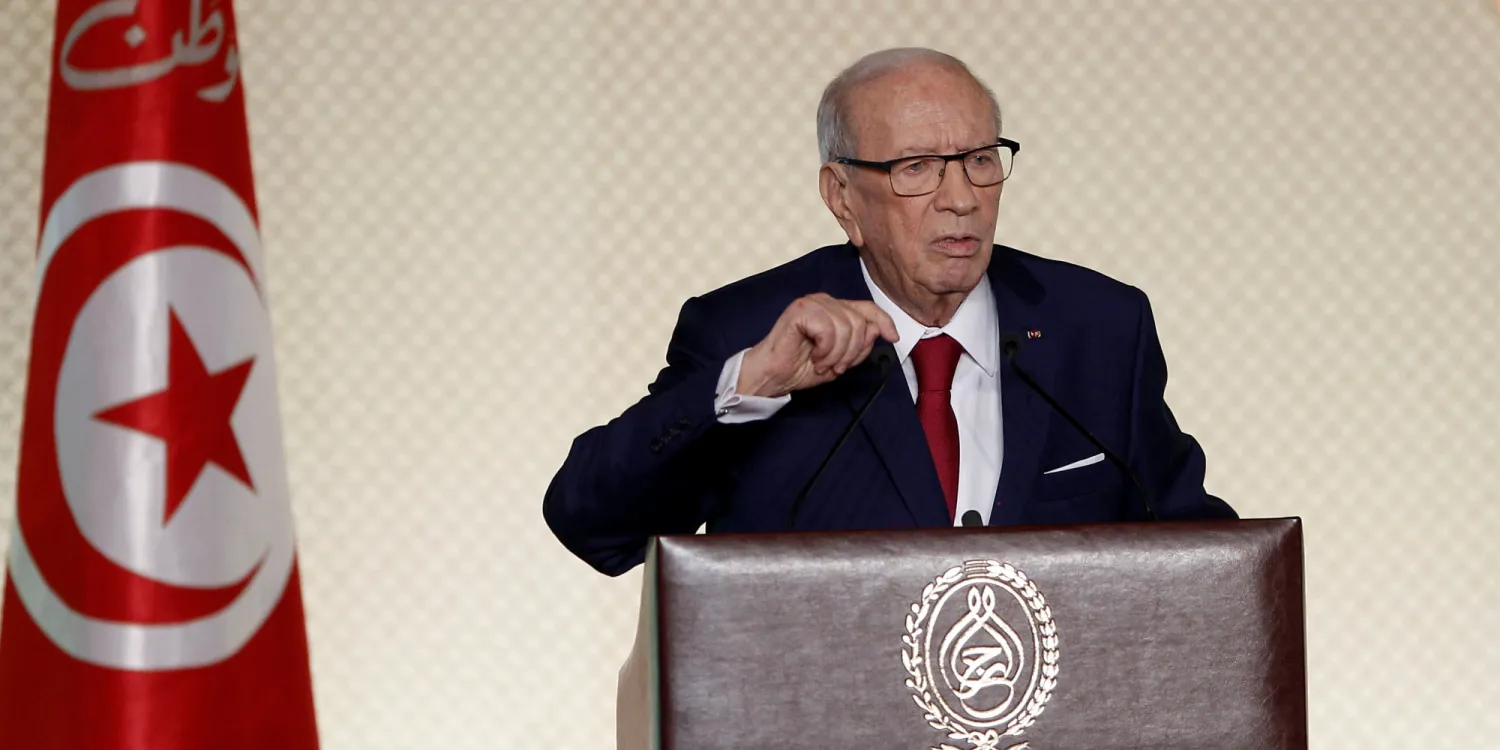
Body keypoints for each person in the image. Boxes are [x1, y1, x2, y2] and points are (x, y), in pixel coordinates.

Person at [543, 47, 1235, 576]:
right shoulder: (745, 332)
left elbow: (1200, 556)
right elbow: (593, 526)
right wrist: (749, 385)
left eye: (980, 160)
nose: (960, 198)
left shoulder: (1099, 329)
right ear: (842, 196)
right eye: (916, 168)